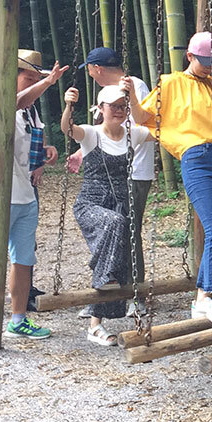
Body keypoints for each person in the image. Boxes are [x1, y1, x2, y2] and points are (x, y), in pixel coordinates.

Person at [124, 31, 212, 332]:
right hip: (195, 157)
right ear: (189, 56)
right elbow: (142, 117)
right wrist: (131, 94)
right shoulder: (171, 83)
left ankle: (201, 298)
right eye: (205, 62)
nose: (210, 68)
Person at [0, 50, 69, 344]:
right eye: (29, 78)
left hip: (25, 196)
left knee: (23, 260)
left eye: (36, 79)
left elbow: (25, 152)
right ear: (10, 77)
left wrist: (45, 154)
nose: (34, 84)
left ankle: (18, 320)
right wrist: (48, 82)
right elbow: (16, 101)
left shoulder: (28, 113)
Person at [61, 84, 152, 346]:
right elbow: (68, 129)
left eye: (123, 107)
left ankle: (95, 324)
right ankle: (100, 293)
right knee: (115, 225)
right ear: (101, 109)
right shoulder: (92, 134)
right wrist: (69, 105)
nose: (119, 111)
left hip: (120, 206)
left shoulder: (133, 134)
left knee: (116, 260)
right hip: (92, 205)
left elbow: (163, 131)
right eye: (113, 106)